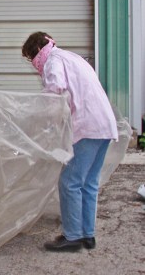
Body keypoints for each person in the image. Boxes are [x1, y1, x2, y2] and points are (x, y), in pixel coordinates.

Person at [21, 32, 117, 252]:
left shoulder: (53, 62)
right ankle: (87, 234)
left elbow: (55, 93)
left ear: (36, 52)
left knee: (70, 182)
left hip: (87, 126)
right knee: (89, 182)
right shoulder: (70, 56)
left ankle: (72, 236)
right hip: (103, 124)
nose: (33, 65)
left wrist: (42, 124)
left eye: (30, 59)